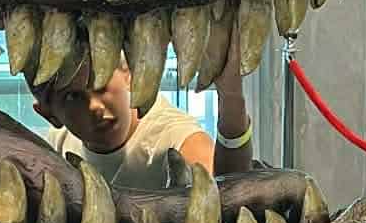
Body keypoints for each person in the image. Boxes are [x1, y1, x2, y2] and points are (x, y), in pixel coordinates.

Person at [29, 32, 254, 191]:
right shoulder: (57, 144)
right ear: (49, 115)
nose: (95, 107)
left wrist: (232, 97)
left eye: (99, 84)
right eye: (72, 98)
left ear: (128, 74)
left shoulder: (175, 137)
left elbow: (228, 195)